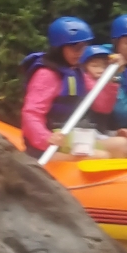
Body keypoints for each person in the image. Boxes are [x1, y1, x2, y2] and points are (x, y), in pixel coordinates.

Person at [19, 14, 92, 155]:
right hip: (46, 147)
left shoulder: (77, 71)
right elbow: (31, 113)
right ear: (59, 48)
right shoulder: (46, 74)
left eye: (83, 48)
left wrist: (113, 77)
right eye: (74, 48)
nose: (79, 53)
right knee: (103, 156)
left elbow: (101, 104)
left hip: (72, 138)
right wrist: (46, 138)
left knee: (121, 146)